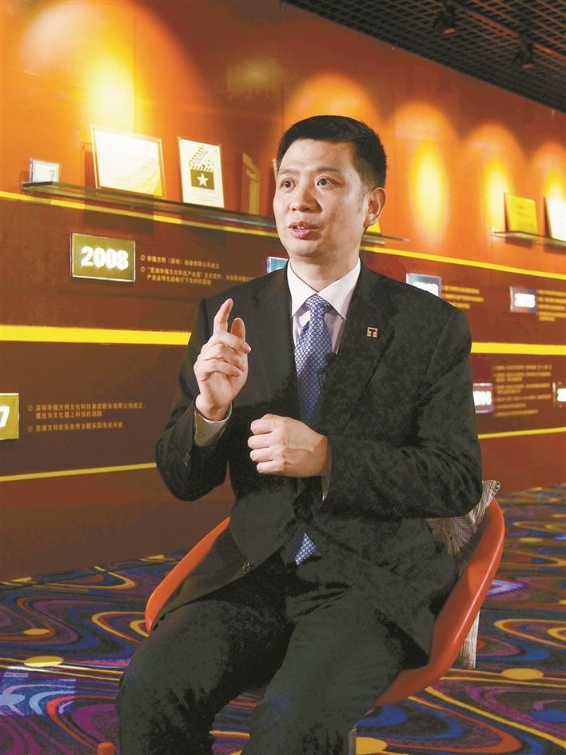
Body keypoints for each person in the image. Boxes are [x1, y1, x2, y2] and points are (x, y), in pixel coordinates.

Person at [117, 115, 482, 755]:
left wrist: (328, 458)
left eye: (325, 182)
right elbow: (183, 479)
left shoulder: (428, 326)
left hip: (369, 579)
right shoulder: (230, 314)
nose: (299, 201)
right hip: (252, 572)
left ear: (372, 205)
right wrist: (209, 412)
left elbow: (455, 480)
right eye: (287, 183)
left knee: (290, 729)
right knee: (149, 691)